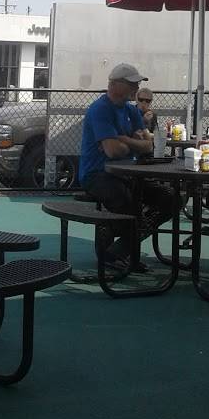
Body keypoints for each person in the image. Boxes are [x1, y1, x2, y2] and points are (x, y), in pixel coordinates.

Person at [79, 63, 170, 272]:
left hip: (127, 174)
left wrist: (123, 139)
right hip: (97, 174)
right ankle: (119, 246)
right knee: (129, 205)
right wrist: (132, 141)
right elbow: (113, 151)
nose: (136, 88)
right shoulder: (100, 109)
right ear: (115, 84)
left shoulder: (131, 110)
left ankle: (116, 248)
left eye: (136, 84)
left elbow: (148, 146)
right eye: (132, 83)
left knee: (170, 198)